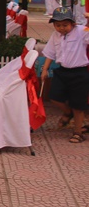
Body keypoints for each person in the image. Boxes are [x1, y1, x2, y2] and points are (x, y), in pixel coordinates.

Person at [41, 8, 89, 144]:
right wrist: (45, 69)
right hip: (62, 71)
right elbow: (50, 53)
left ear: (72, 23)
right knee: (54, 96)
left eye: (65, 25)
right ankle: (68, 113)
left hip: (79, 73)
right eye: (58, 25)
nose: (61, 28)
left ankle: (78, 132)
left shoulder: (81, 31)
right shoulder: (55, 35)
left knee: (78, 105)